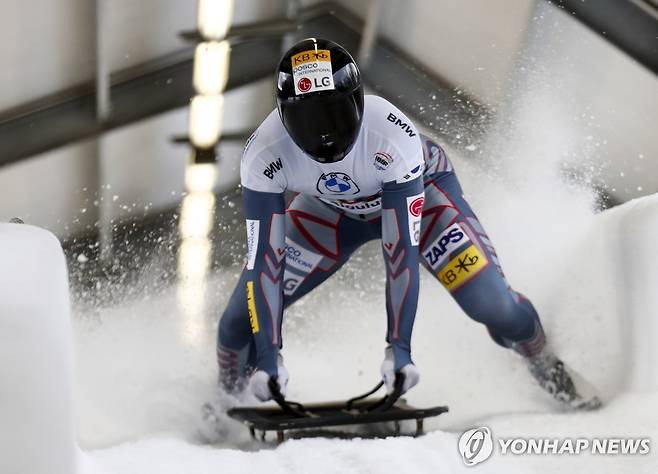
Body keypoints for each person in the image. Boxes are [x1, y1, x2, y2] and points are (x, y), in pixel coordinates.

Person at [217, 38, 599, 409]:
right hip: (328, 212)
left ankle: (543, 360)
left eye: (334, 115)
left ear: (359, 104)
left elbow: (400, 252)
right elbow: (264, 261)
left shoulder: (389, 135)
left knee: (493, 305)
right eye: (308, 120)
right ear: (283, 117)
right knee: (237, 323)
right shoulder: (263, 154)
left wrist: (399, 348)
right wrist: (269, 356)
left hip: (422, 195)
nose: (325, 134)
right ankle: (227, 400)